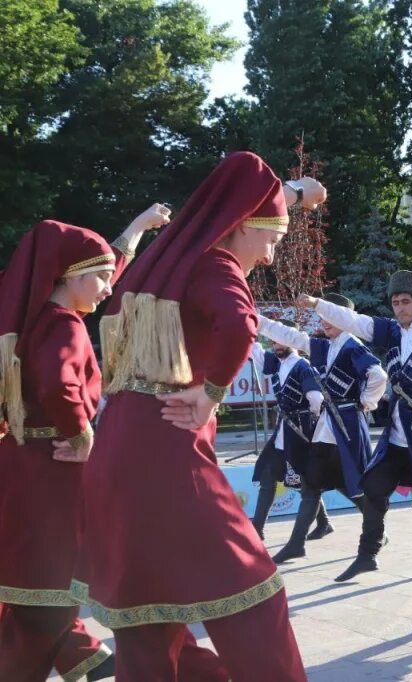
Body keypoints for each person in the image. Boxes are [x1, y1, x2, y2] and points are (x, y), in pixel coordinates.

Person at [77, 152, 325, 679]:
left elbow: (243, 183)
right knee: (256, 599)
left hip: (116, 449)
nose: (270, 258)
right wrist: (211, 390)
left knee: (147, 617)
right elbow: (240, 325)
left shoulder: (155, 267)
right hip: (169, 455)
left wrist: (298, 192)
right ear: (241, 226)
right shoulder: (215, 263)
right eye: (272, 240)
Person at [0, 208, 169, 681]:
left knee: (37, 592)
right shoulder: (64, 325)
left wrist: (136, 230)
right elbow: (59, 384)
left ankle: (89, 662)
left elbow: (95, 265)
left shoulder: (31, 317)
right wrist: (83, 434)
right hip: (51, 472)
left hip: (23, 464)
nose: (109, 287)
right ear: (73, 277)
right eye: (101, 279)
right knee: (48, 596)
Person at [296, 270, 412, 583]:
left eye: (406, 301)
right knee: (374, 487)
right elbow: (356, 322)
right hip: (397, 432)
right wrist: (317, 304)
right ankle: (367, 556)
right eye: (395, 302)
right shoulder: (392, 332)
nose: (400, 307)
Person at [256, 295, 387, 551]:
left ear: (346, 319)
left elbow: (378, 375)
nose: (325, 322)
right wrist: (256, 321)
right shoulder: (327, 346)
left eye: (332, 317)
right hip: (328, 424)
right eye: (323, 317)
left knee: (356, 482)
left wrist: (365, 402)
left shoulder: (353, 346)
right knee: (312, 481)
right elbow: (294, 337)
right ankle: (296, 544)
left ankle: (376, 533)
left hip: (347, 422)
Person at [247, 324, 326, 564]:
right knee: (268, 476)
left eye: (280, 340)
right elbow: (257, 354)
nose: (275, 345)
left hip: (300, 431)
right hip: (283, 430)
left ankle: (370, 524)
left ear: (292, 340)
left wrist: (310, 426)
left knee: (310, 484)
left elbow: (317, 400)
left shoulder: (303, 367)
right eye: (273, 341)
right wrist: (247, 328)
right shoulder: (278, 362)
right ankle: (256, 528)